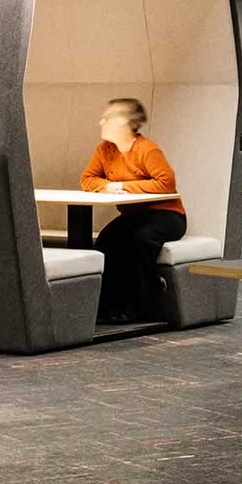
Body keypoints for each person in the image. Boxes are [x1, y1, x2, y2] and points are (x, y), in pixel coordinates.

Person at [79, 98, 186, 324]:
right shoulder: (104, 150)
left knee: (139, 240)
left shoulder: (146, 149)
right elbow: (87, 179)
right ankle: (106, 308)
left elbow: (166, 183)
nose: (101, 122)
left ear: (124, 123)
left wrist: (122, 186)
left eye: (107, 118)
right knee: (107, 240)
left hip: (166, 216)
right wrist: (106, 186)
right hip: (134, 217)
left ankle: (142, 305)